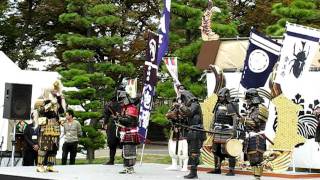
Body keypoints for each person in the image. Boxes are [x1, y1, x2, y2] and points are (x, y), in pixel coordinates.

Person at [35, 81, 66, 172]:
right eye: (53, 90)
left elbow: (61, 112)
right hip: (46, 126)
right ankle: (40, 165)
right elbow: (39, 111)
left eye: (56, 90)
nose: (55, 92)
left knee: (54, 147)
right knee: (44, 146)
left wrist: (60, 99)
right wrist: (49, 103)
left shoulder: (58, 100)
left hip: (56, 126)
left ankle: (50, 166)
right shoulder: (41, 99)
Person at [207, 87, 239, 176]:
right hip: (217, 130)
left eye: (221, 96)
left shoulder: (232, 105)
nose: (220, 98)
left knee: (229, 150)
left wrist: (234, 131)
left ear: (226, 96)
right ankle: (217, 168)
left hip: (227, 130)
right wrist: (211, 128)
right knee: (215, 150)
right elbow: (214, 117)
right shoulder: (217, 105)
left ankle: (231, 170)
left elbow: (235, 119)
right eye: (219, 96)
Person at [177, 85, 206, 179]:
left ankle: (194, 173)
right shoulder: (191, 106)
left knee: (194, 152)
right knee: (191, 151)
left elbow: (189, 112)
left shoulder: (195, 105)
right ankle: (192, 171)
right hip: (192, 131)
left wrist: (180, 106)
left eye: (184, 100)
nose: (184, 102)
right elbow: (186, 116)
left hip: (197, 131)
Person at [242, 88, 269, 180]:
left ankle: (257, 178)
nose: (247, 101)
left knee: (256, 160)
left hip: (257, 137)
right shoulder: (251, 109)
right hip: (250, 137)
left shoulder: (261, 108)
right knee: (252, 161)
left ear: (253, 98)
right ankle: (255, 177)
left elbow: (256, 123)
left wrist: (244, 120)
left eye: (248, 99)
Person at [117, 91, 140, 174]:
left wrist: (119, 118)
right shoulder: (125, 108)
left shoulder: (132, 108)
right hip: (125, 132)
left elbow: (129, 121)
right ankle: (126, 167)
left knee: (129, 150)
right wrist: (118, 118)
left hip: (130, 132)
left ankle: (130, 168)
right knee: (125, 150)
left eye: (122, 100)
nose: (121, 102)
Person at [165, 98, 189, 171]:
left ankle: (185, 166)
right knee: (172, 149)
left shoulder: (186, 109)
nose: (175, 104)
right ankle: (174, 164)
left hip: (182, 131)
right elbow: (168, 115)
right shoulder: (173, 108)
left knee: (183, 149)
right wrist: (175, 109)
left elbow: (185, 117)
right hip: (174, 131)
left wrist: (179, 108)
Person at [103, 96, 121, 165]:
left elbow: (106, 116)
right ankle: (126, 159)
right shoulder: (121, 105)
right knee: (123, 142)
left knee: (112, 143)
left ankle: (111, 160)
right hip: (121, 124)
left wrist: (104, 123)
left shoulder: (108, 105)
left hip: (112, 125)